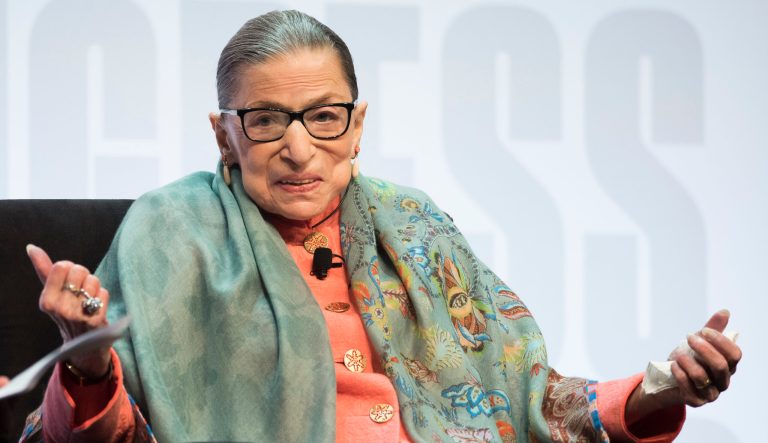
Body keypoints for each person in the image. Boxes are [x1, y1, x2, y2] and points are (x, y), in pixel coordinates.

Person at [20, 10, 741, 443]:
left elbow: (532, 399)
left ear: (357, 125)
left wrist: (663, 388)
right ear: (224, 135)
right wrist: (87, 366)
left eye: (323, 116)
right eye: (265, 120)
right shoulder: (165, 235)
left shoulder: (417, 226)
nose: (297, 148)